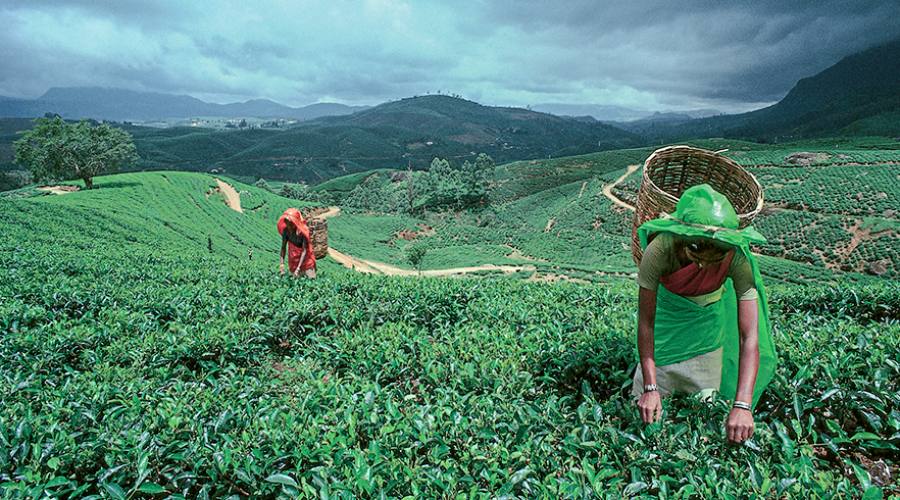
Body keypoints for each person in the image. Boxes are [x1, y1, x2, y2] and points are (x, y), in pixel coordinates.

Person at [632, 184, 777, 443]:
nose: (702, 267)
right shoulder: (659, 250)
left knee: (703, 428)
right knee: (646, 426)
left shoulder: (737, 259)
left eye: (713, 261)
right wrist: (650, 387)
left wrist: (742, 405)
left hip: (706, 343)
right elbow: (646, 322)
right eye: (696, 256)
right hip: (664, 340)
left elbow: (749, 335)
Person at [278, 208, 317, 279]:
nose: (288, 225)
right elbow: (283, 248)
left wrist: (298, 268)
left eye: (290, 223)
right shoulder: (286, 231)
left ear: (295, 223)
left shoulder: (303, 232)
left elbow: (304, 251)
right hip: (294, 259)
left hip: (306, 260)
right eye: (286, 222)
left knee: (310, 279)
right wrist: (282, 264)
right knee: (295, 281)